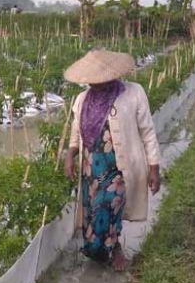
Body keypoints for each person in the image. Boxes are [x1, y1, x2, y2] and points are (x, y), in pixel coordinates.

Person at [63, 50, 161, 271]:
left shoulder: (133, 93)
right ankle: (97, 253)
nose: (94, 84)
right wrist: (70, 156)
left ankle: (114, 248)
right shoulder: (82, 99)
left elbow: (148, 132)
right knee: (93, 213)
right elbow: (75, 133)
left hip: (118, 169)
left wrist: (154, 168)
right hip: (91, 168)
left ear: (112, 76)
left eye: (99, 80)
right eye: (91, 81)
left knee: (111, 207)